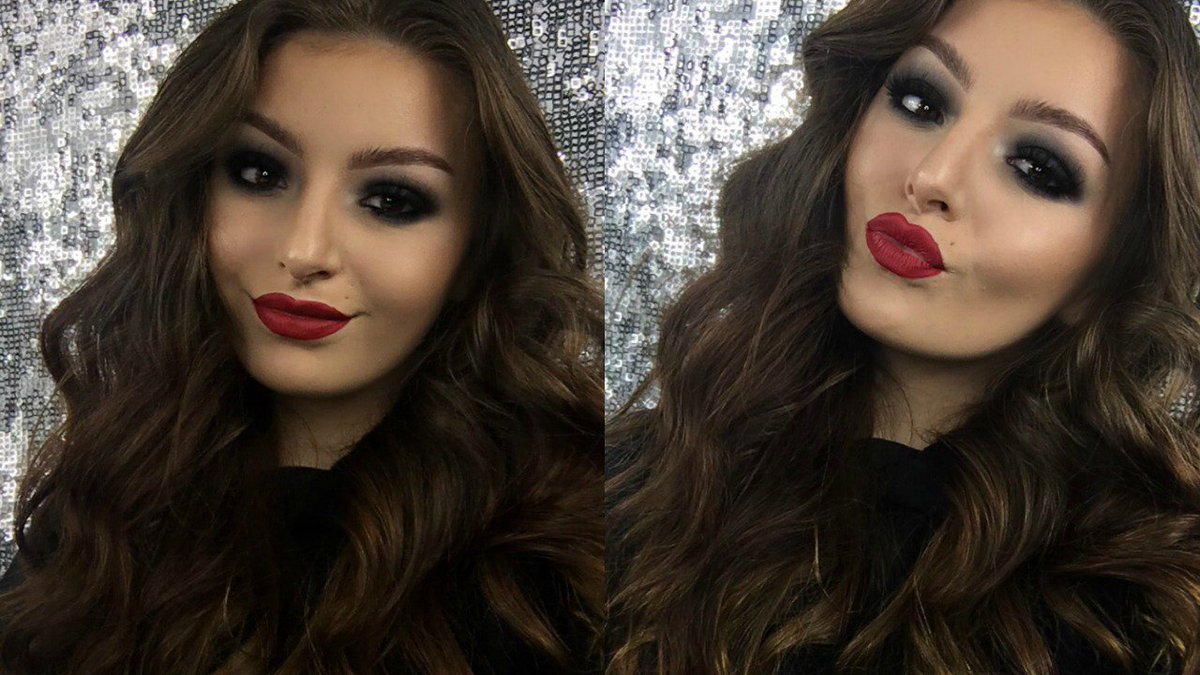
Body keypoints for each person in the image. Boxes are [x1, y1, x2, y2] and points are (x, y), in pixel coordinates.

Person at [0, 0, 603, 673]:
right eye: (260, 173)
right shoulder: (100, 507)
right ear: (194, 193)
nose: (304, 250)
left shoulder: (558, 573)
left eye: (391, 201)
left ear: (477, 250)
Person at [606, 0, 1200, 672]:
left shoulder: (1147, 617)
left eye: (1037, 167)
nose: (932, 176)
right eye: (920, 102)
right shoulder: (634, 486)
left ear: (1111, 270)